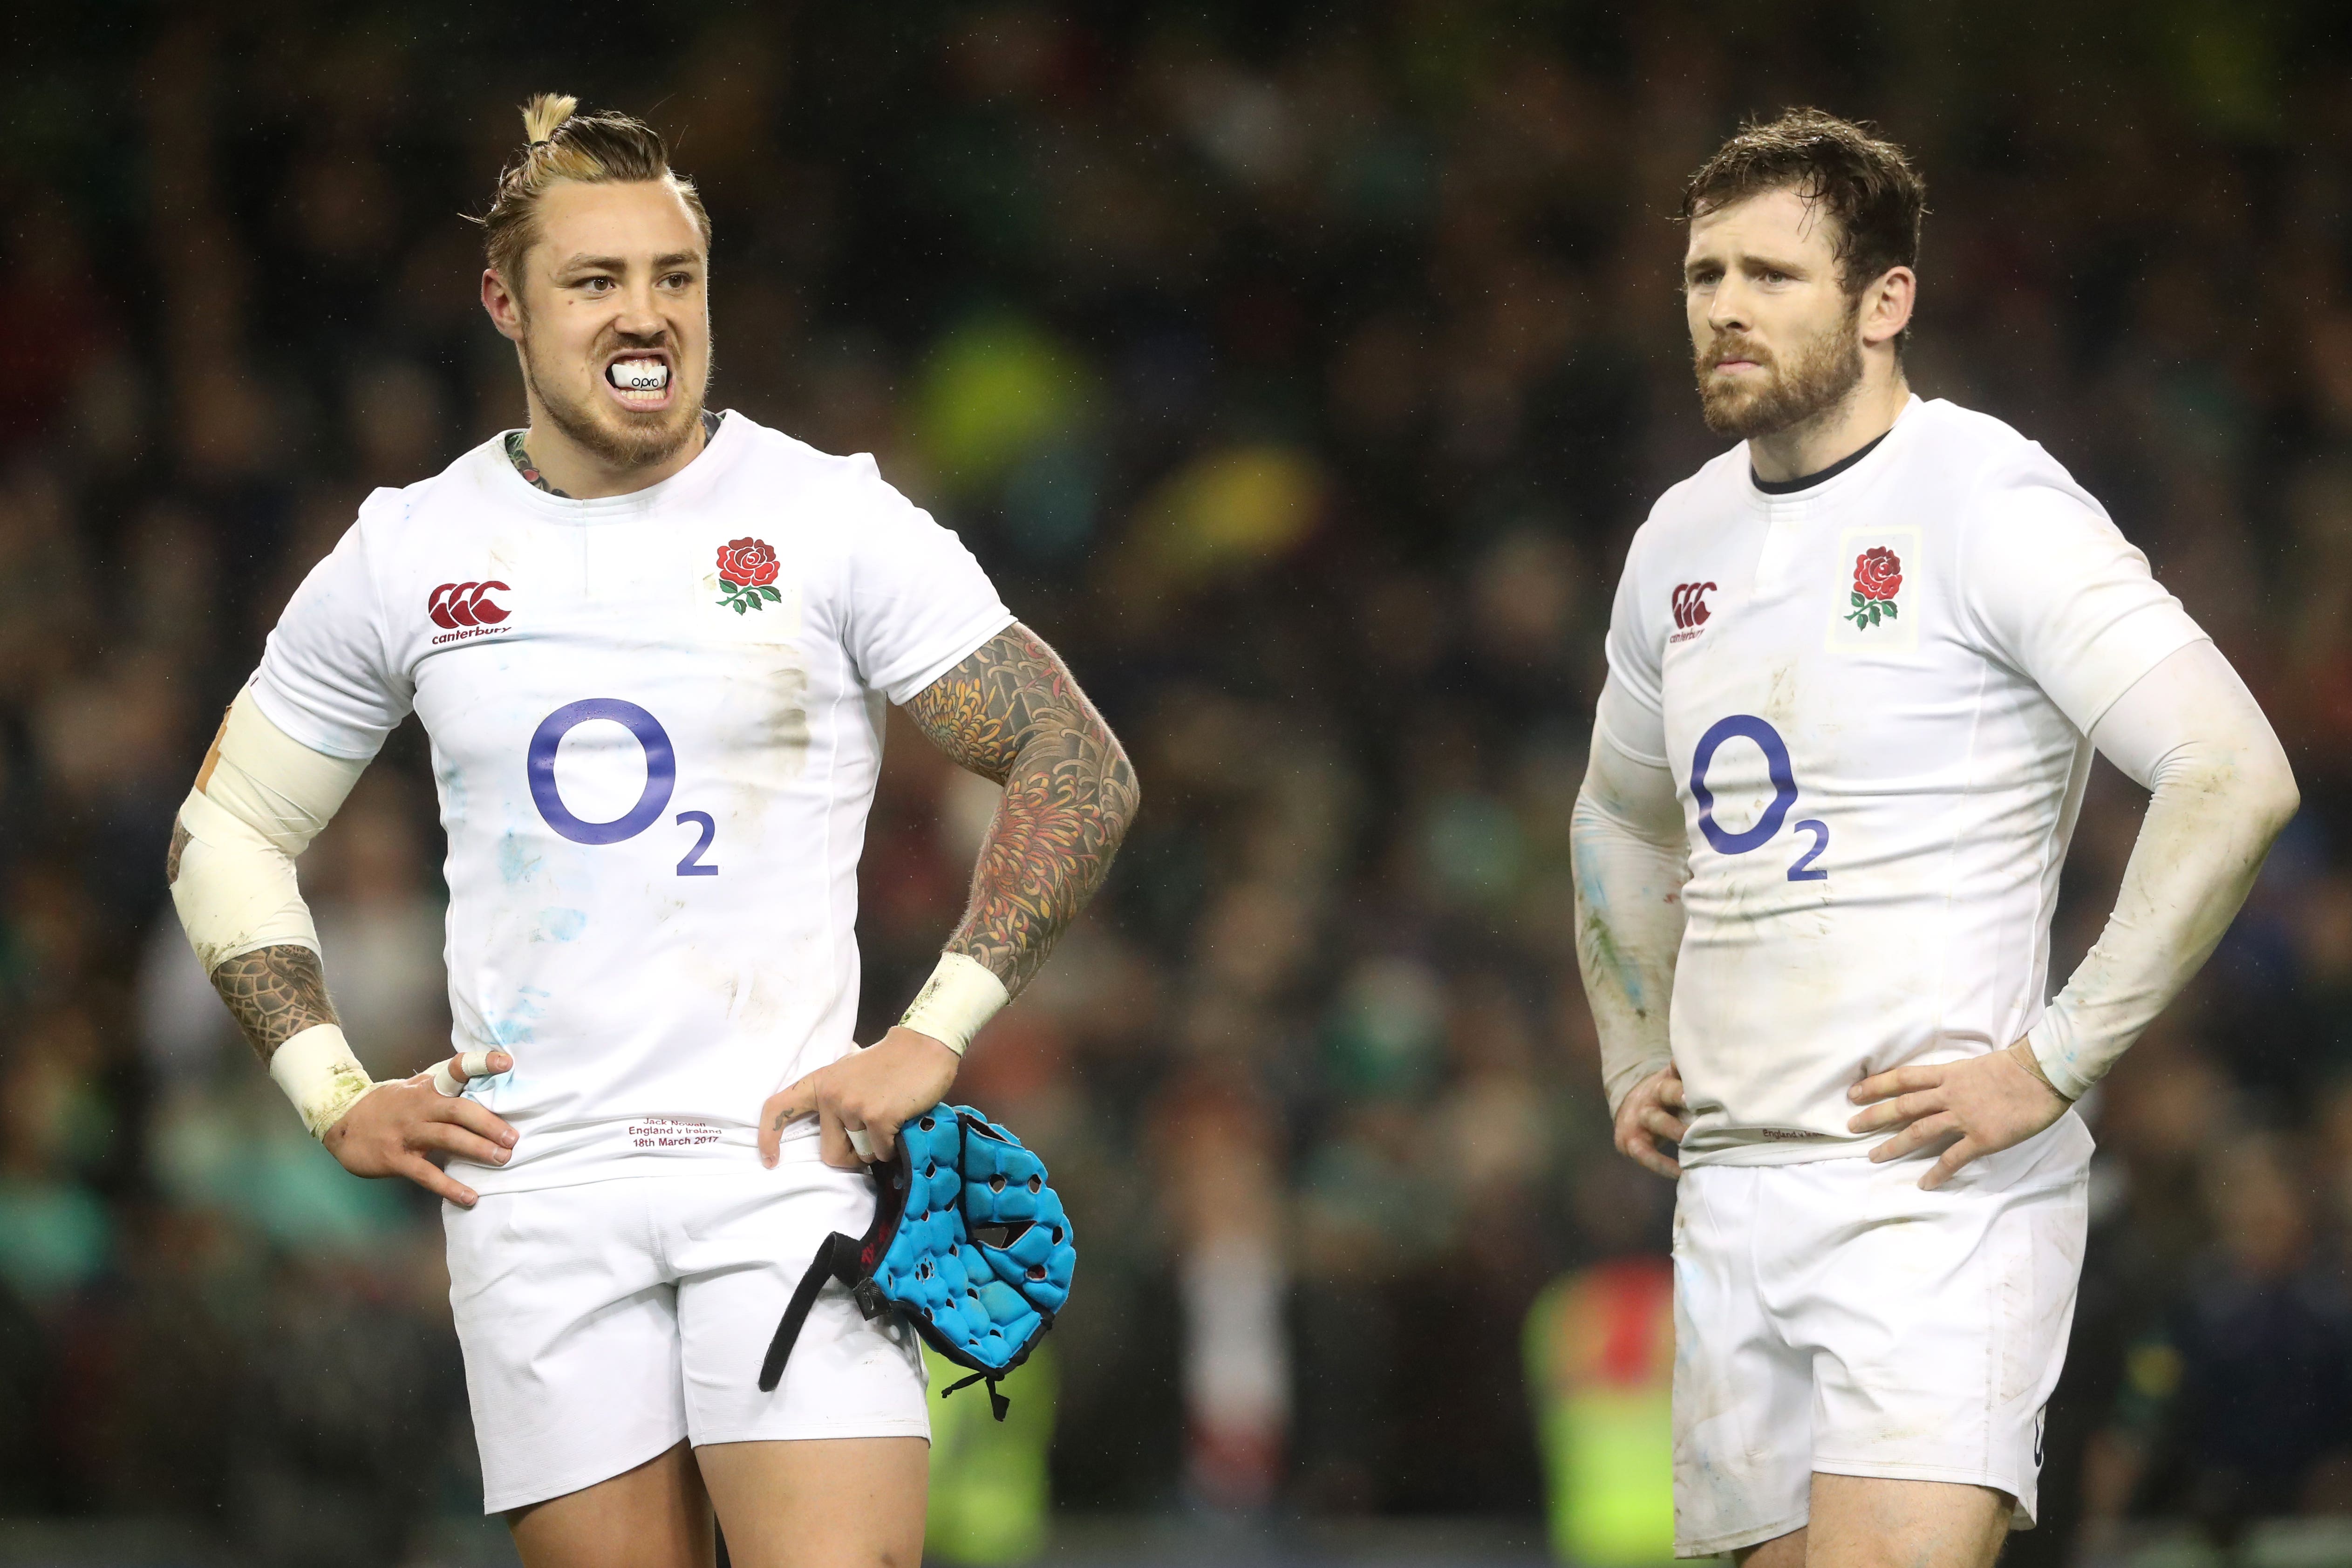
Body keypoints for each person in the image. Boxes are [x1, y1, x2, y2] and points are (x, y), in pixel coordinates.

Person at [164, 95, 1138, 1568]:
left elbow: (1074, 760)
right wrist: (330, 1091)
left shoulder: (829, 519)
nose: (646, 315)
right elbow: (227, 828)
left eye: (674, 278)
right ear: (505, 302)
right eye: (595, 280)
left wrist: (935, 1031)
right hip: (536, 1185)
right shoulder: (409, 551)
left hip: (782, 1163)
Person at [1570, 109, 2297, 1567]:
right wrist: (1630, 1041)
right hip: (1731, 1189)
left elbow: (2230, 771)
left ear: (1883, 301)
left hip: (1928, 1197)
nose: (1722, 307)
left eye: (1771, 275)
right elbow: (1615, 815)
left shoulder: (1986, 503)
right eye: (1702, 275)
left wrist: (2055, 1060)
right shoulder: (1677, 542)